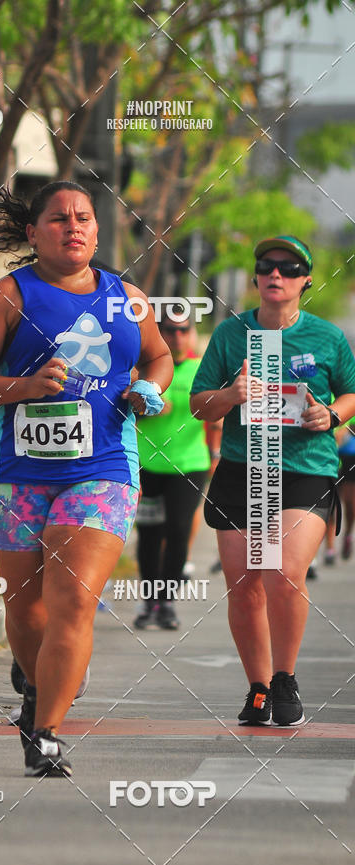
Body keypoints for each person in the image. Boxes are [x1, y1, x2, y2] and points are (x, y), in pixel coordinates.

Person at [0, 181, 172, 776]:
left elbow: (158, 355)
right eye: (57, 219)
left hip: (102, 467)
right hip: (14, 469)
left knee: (72, 599)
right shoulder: (7, 295)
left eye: (83, 219)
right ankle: (36, 682)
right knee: (27, 612)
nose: (72, 227)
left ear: (97, 232)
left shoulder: (127, 297)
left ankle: (45, 731)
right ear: (33, 233)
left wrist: (151, 388)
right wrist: (24, 388)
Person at [190, 236, 355, 726]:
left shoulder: (327, 337)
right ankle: (259, 688)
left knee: (283, 570)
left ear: (306, 279)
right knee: (244, 586)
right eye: (267, 267)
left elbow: (350, 394)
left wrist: (330, 415)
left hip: (306, 467)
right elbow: (199, 403)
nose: (276, 274)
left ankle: (286, 678)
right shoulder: (231, 334)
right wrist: (231, 394)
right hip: (244, 467)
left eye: (289, 267)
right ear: (257, 277)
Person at [134, 309, 219, 630]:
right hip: (148, 466)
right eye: (169, 330)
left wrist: (216, 453)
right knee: (150, 535)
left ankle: (167, 601)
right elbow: (120, 409)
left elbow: (215, 413)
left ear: (193, 334)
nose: (177, 337)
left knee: (179, 531)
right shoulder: (146, 370)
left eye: (184, 330)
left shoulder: (202, 370)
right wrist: (142, 408)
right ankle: (149, 602)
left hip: (188, 466)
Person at [338, 417, 355, 559]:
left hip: (351, 458)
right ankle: (328, 548)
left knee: (351, 506)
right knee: (343, 505)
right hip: (339, 457)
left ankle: (348, 534)